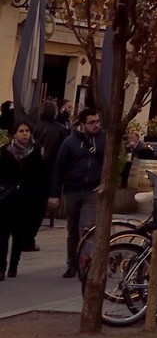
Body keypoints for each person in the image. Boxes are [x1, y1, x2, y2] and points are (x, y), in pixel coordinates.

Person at [49, 108, 105, 278]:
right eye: (91, 122)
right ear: (82, 124)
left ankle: (85, 264)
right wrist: (54, 193)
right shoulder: (70, 142)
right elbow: (58, 168)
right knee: (72, 230)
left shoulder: (103, 139)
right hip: (73, 190)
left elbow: (112, 161)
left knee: (87, 228)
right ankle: (71, 264)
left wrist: (105, 183)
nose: (96, 125)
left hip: (92, 191)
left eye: (97, 121)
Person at [0, 119, 49, 278]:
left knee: (19, 236)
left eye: (27, 131)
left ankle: (13, 265)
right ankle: (1, 267)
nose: (25, 134)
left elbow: (41, 177)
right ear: (14, 134)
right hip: (6, 200)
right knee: (2, 236)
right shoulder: (4, 151)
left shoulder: (35, 152)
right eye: (21, 131)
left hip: (26, 200)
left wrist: (40, 197)